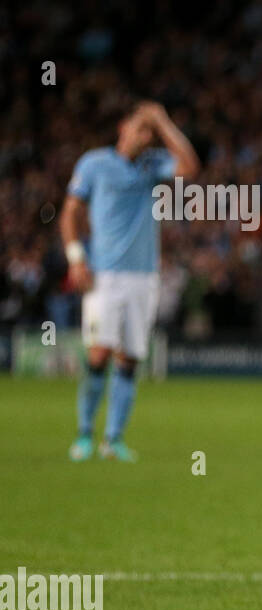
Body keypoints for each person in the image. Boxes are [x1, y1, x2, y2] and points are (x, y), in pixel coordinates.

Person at [62, 101, 200, 462]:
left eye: (150, 132)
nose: (147, 136)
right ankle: (85, 434)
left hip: (143, 276)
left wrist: (163, 122)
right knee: (98, 353)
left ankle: (113, 439)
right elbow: (70, 213)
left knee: (130, 358)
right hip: (103, 274)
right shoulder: (94, 164)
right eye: (142, 128)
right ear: (123, 127)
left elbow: (190, 167)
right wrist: (76, 258)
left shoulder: (153, 165)